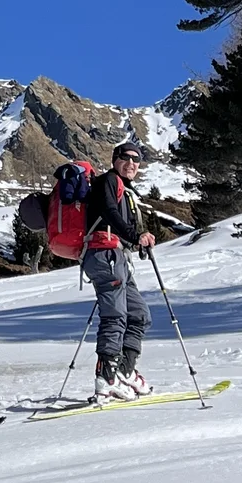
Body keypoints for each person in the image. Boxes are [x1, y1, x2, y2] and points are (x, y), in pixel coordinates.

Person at [82, 140, 156, 399]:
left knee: (139, 315)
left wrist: (134, 241)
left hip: (118, 257)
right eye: (126, 157)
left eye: (137, 159)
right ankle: (106, 378)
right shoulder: (109, 181)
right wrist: (136, 235)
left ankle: (125, 370)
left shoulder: (124, 189)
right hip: (105, 255)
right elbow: (110, 213)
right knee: (115, 316)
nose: (132, 163)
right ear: (115, 160)